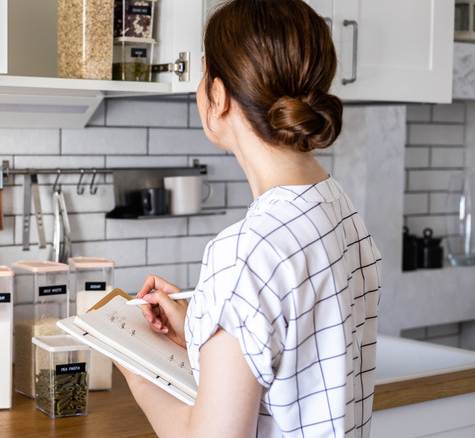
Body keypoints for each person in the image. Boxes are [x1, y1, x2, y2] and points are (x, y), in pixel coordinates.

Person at [118, 1, 382, 437]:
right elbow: (290, 362)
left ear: (219, 97)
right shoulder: (341, 212)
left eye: (203, 75)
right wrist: (202, 330)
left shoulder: (244, 253)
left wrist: (138, 372)